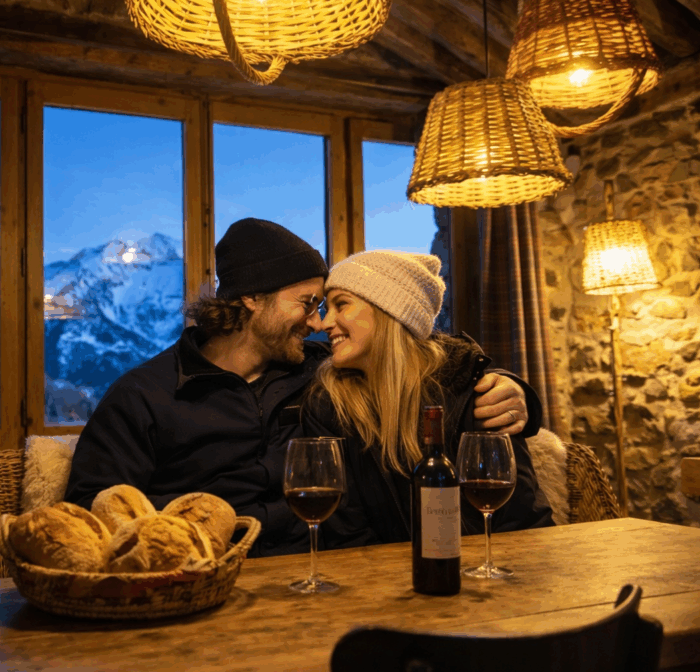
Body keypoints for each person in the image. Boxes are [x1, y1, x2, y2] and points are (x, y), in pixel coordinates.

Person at [64, 218, 540, 556]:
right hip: (204, 576)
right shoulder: (146, 394)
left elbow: (416, 354)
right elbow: (93, 509)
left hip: (318, 570)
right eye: (309, 303)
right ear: (251, 298)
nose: (318, 323)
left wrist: (510, 389)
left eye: (328, 305)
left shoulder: (325, 373)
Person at [303, 250, 555, 551]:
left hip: (484, 577)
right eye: (324, 308)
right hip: (382, 583)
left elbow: (523, 521)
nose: (324, 322)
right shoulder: (329, 404)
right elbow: (347, 536)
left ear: (389, 311)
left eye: (341, 304)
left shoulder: (475, 390)